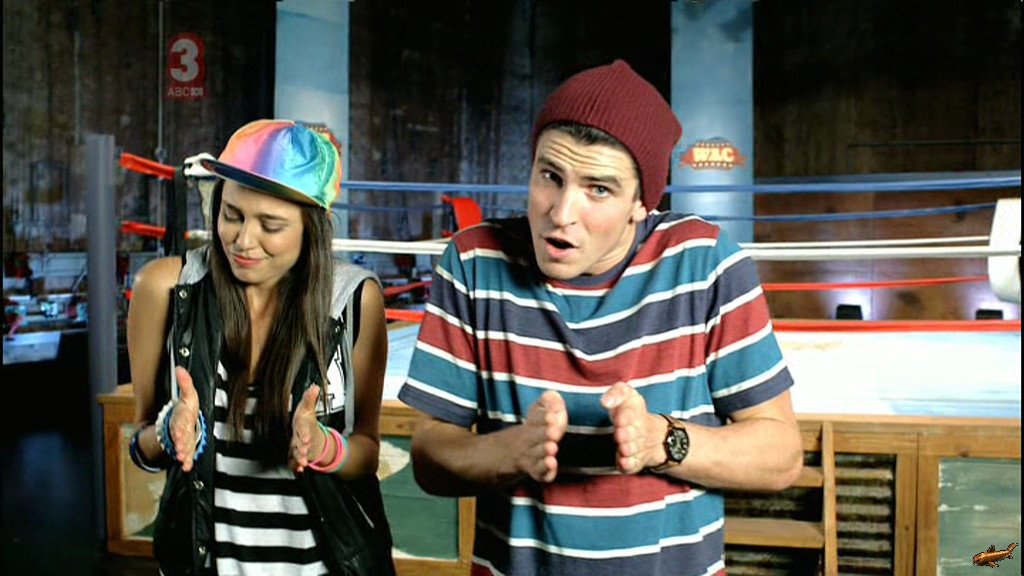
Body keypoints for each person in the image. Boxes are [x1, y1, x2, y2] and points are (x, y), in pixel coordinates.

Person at [398, 60, 803, 576]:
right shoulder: (475, 261)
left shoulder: (705, 263)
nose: (561, 212)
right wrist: (510, 452)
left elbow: (780, 455)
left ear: (642, 203)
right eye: (550, 176)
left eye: (599, 189)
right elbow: (429, 459)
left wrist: (662, 441)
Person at [127, 119, 395, 576]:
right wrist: (169, 432)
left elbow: (366, 452)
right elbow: (139, 445)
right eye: (231, 215)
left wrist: (324, 447)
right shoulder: (166, 288)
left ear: (312, 227)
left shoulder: (352, 299)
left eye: (270, 225)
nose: (243, 240)